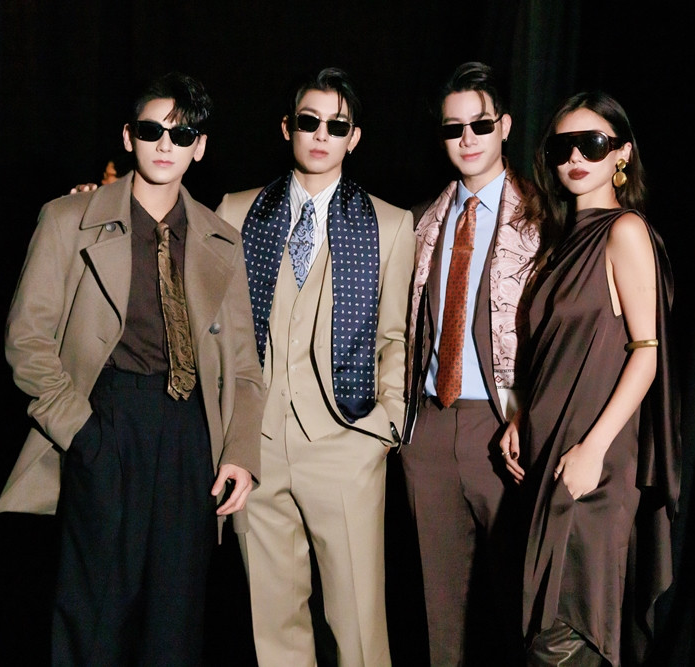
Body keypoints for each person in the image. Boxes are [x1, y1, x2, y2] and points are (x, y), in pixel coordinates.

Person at [0, 71, 266, 665]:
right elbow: (26, 340)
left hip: (191, 438)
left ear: (200, 147)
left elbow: (244, 365)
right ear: (127, 136)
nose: (166, 145)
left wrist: (240, 451)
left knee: (175, 624)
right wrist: (83, 433)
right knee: (93, 617)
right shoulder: (68, 219)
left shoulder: (221, 237)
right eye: (151, 130)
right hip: (107, 422)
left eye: (182, 134)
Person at [215, 67, 415, 667]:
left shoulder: (389, 224)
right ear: (288, 128)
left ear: (354, 138)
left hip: (346, 445)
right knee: (273, 626)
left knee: (359, 631)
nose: (322, 134)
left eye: (337, 125)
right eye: (310, 121)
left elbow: (397, 338)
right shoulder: (237, 211)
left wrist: (382, 429)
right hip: (257, 448)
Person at [501, 91, 679, 666]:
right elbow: (551, 352)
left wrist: (593, 450)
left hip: (593, 463)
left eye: (592, 144)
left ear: (621, 153)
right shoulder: (558, 243)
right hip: (549, 451)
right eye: (562, 148)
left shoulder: (624, 231)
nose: (575, 157)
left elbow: (647, 355)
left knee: (567, 629)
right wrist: (520, 415)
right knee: (542, 627)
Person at [401, 61, 541, 665]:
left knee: (520, 603)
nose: (467, 139)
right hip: (429, 427)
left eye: (480, 125)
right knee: (438, 614)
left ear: (504, 126)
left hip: (505, 428)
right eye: (453, 128)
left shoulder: (543, 218)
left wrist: (530, 417)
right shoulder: (419, 223)